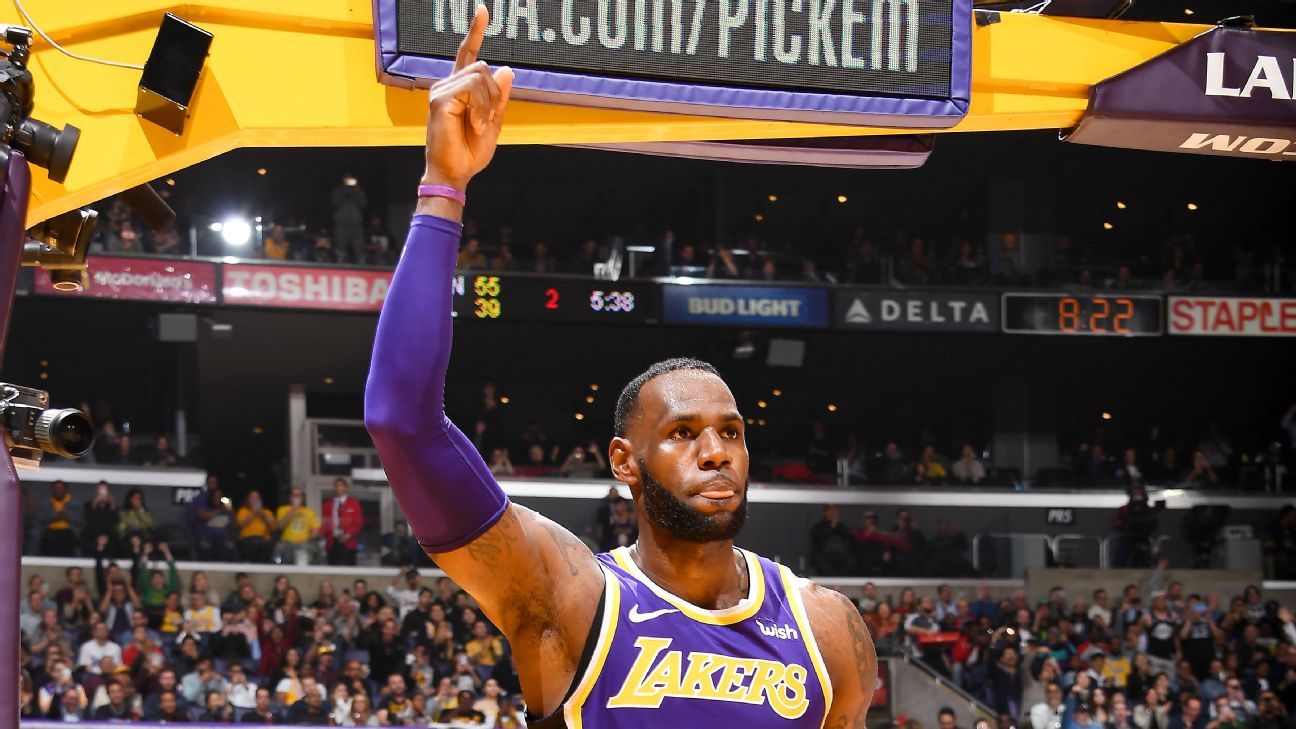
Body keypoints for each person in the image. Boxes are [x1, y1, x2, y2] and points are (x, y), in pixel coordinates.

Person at [363, 11, 876, 727]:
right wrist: (443, 186)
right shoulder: (570, 595)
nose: (716, 450)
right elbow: (402, 422)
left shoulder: (828, 629)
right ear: (624, 462)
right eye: (683, 432)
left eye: (731, 431)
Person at [190, 474, 238, 561]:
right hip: (206, 534)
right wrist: (220, 510)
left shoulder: (225, 500)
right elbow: (202, 516)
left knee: (230, 547)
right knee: (205, 546)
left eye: (214, 483)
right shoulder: (201, 498)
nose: (212, 485)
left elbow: (233, 523)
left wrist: (229, 510)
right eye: (210, 483)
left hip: (223, 535)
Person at [322, 477, 364, 565]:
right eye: (336, 485)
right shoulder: (327, 504)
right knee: (332, 568)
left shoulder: (354, 503)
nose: (338, 487)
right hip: (332, 542)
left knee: (348, 568)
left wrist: (347, 535)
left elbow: (358, 523)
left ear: (346, 488)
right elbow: (325, 523)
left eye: (341, 485)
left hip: (348, 542)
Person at [275, 486, 321, 565]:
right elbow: (280, 526)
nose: (296, 498)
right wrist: (293, 510)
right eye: (294, 495)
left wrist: (309, 538)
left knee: (308, 549)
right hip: (287, 543)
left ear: (302, 498)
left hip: (303, 544)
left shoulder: (309, 512)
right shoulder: (283, 509)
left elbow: (316, 530)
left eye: (299, 495)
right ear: (290, 497)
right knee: (279, 547)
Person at [37, 479, 80, 556]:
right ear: (52, 490)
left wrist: (67, 516)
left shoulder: (74, 503)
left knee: (69, 538)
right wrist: (55, 516)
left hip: (69, 531)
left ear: (65, 489)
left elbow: (79, 519)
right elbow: (40, 519)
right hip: (50, 532)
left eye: (61, 488)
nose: (59, 491)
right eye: (56, 488)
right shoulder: (46, 502)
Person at [331, 174, 368, 263]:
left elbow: (364, 204)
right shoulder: (338, 191)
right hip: (341, 225)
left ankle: (362, 266)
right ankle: (340, 265)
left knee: (359, 248)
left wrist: (357, 190)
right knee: (340, 249)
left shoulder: (357, 191)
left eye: (351, 180)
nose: (349, 182)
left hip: (356, 225)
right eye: (347, 180)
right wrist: (343, 190)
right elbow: (334, 203)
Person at [236, 490, 277, 563]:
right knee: (253, 545)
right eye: (252, 498)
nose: (255, 500)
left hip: (263, 538)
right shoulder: (243, 511)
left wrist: (263, 515)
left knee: (267, 545)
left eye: (257, 498)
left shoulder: (267, 512)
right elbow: (241, 525)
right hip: (248, 538)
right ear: (248, 499)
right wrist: (254, 512)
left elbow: (274, 526)